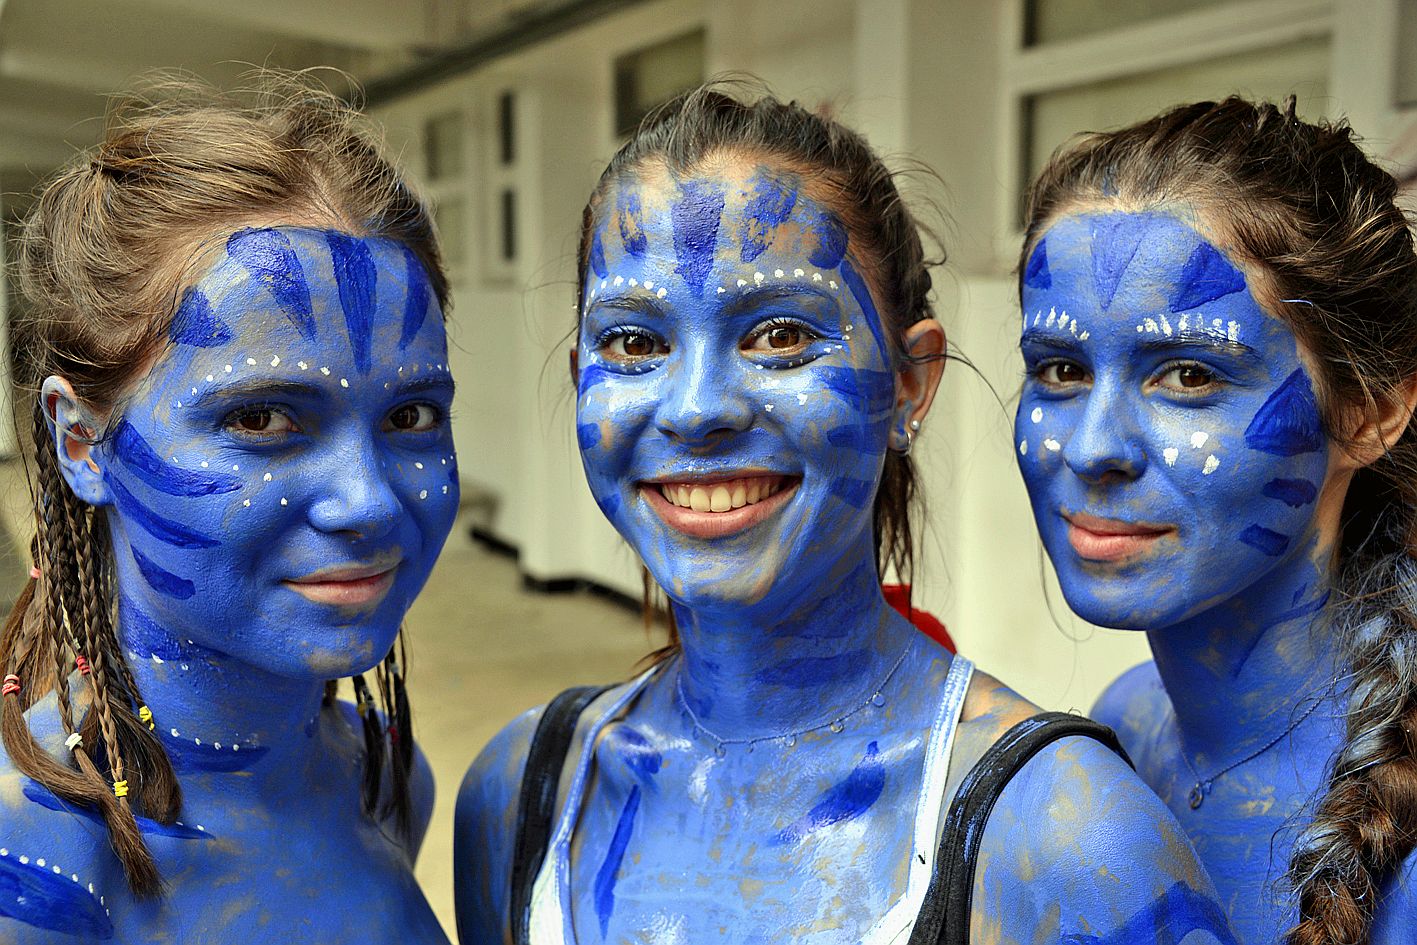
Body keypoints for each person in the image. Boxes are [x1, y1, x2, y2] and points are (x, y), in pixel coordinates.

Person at [456, 85, 1233, 945]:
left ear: (910, 383)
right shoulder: (520, 793)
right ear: (580, 378)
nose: (695, 408)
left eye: (781, 334)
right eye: (635, 342)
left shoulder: (1067, 842)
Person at [0, 75, 459, 943]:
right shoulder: (34, 870)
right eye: (259, 418)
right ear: (81, 442)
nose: (368, 501)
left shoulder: (383, 772)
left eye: (410, 416)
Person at [1013, 97, 1417, 944]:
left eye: (1190, 375)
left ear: (1370, 412)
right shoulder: (1124, 722)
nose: (1093, 448)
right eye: (1058, 368)